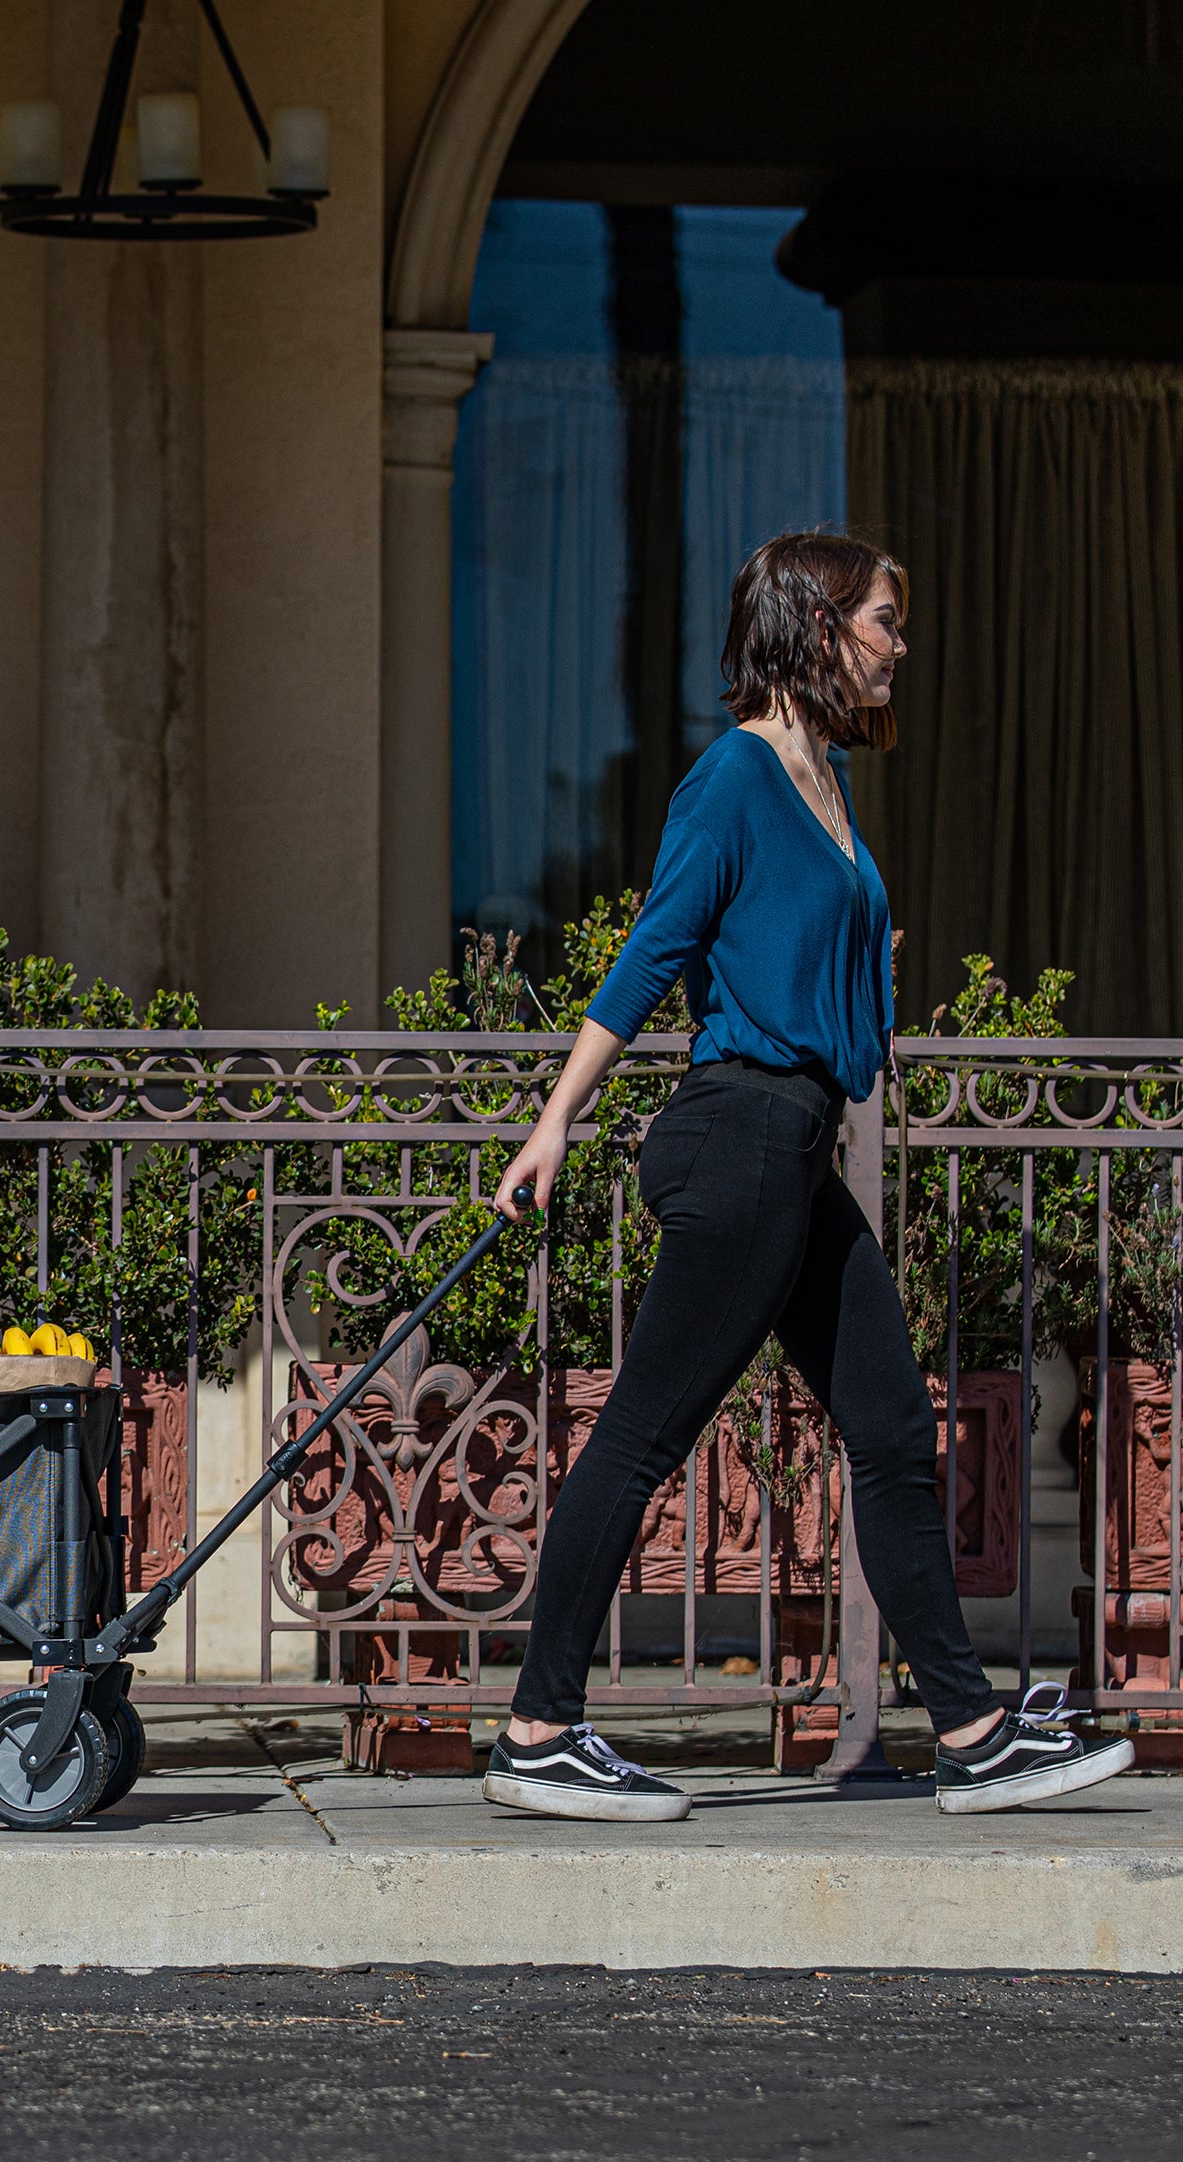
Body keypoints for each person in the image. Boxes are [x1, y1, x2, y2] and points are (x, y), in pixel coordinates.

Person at [481, 531, 1129, 1822]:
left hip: (793, 1143)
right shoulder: (735, 775)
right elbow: (653, 947)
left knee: (893, 1436)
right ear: (816, 624)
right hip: (737, 1141)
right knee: (641, 1437)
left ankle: (975, 1731)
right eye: (886, 618)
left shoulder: (825, 780)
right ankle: (540, 1729)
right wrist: (555, 1119)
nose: (901, 642)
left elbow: (810, 972)